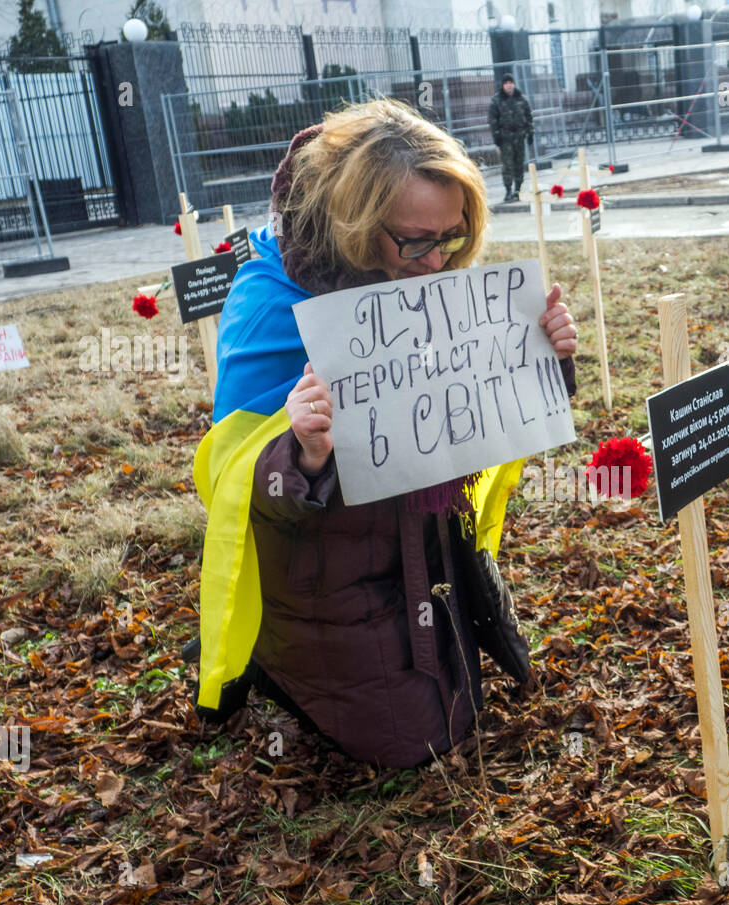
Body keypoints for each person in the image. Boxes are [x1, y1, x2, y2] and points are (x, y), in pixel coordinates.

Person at [192, 98, 579, 768]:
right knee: (412, 743)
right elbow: (231, 483)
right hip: (327, 572)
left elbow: (472, 407)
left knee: (458, 707)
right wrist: (304, 451)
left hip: (423, 558)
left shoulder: (426, 274)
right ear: (357, 221)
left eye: (451, 237)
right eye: (415, 240)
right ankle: (276, 669)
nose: (436, 261)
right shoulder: (268, 307)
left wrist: (544, 359)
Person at [488, 73, 532, 203]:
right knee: (508, 165)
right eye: (506, 83)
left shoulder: (521, 99)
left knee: (519, 165)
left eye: (511, 83)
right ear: (503, 85)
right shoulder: (496, 100)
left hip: (519, 137)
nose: (509, 85)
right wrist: (496, 136)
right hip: (505, 138)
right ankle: (508, 191)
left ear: (514, 84)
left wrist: (530, 133)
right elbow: (492, 120)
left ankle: (517, 191)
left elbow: (529, 117)